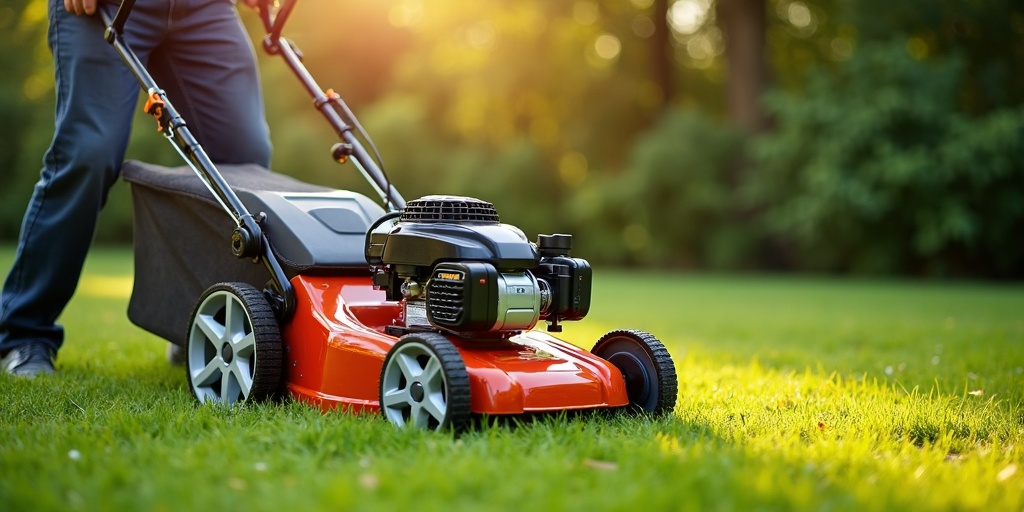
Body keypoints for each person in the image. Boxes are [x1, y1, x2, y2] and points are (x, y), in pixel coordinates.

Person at [0, 0, 272, 376]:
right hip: (104, 7)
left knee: (245, 156)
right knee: (88, 153)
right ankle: (23, 333)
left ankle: (202, 322)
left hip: (204, 8)